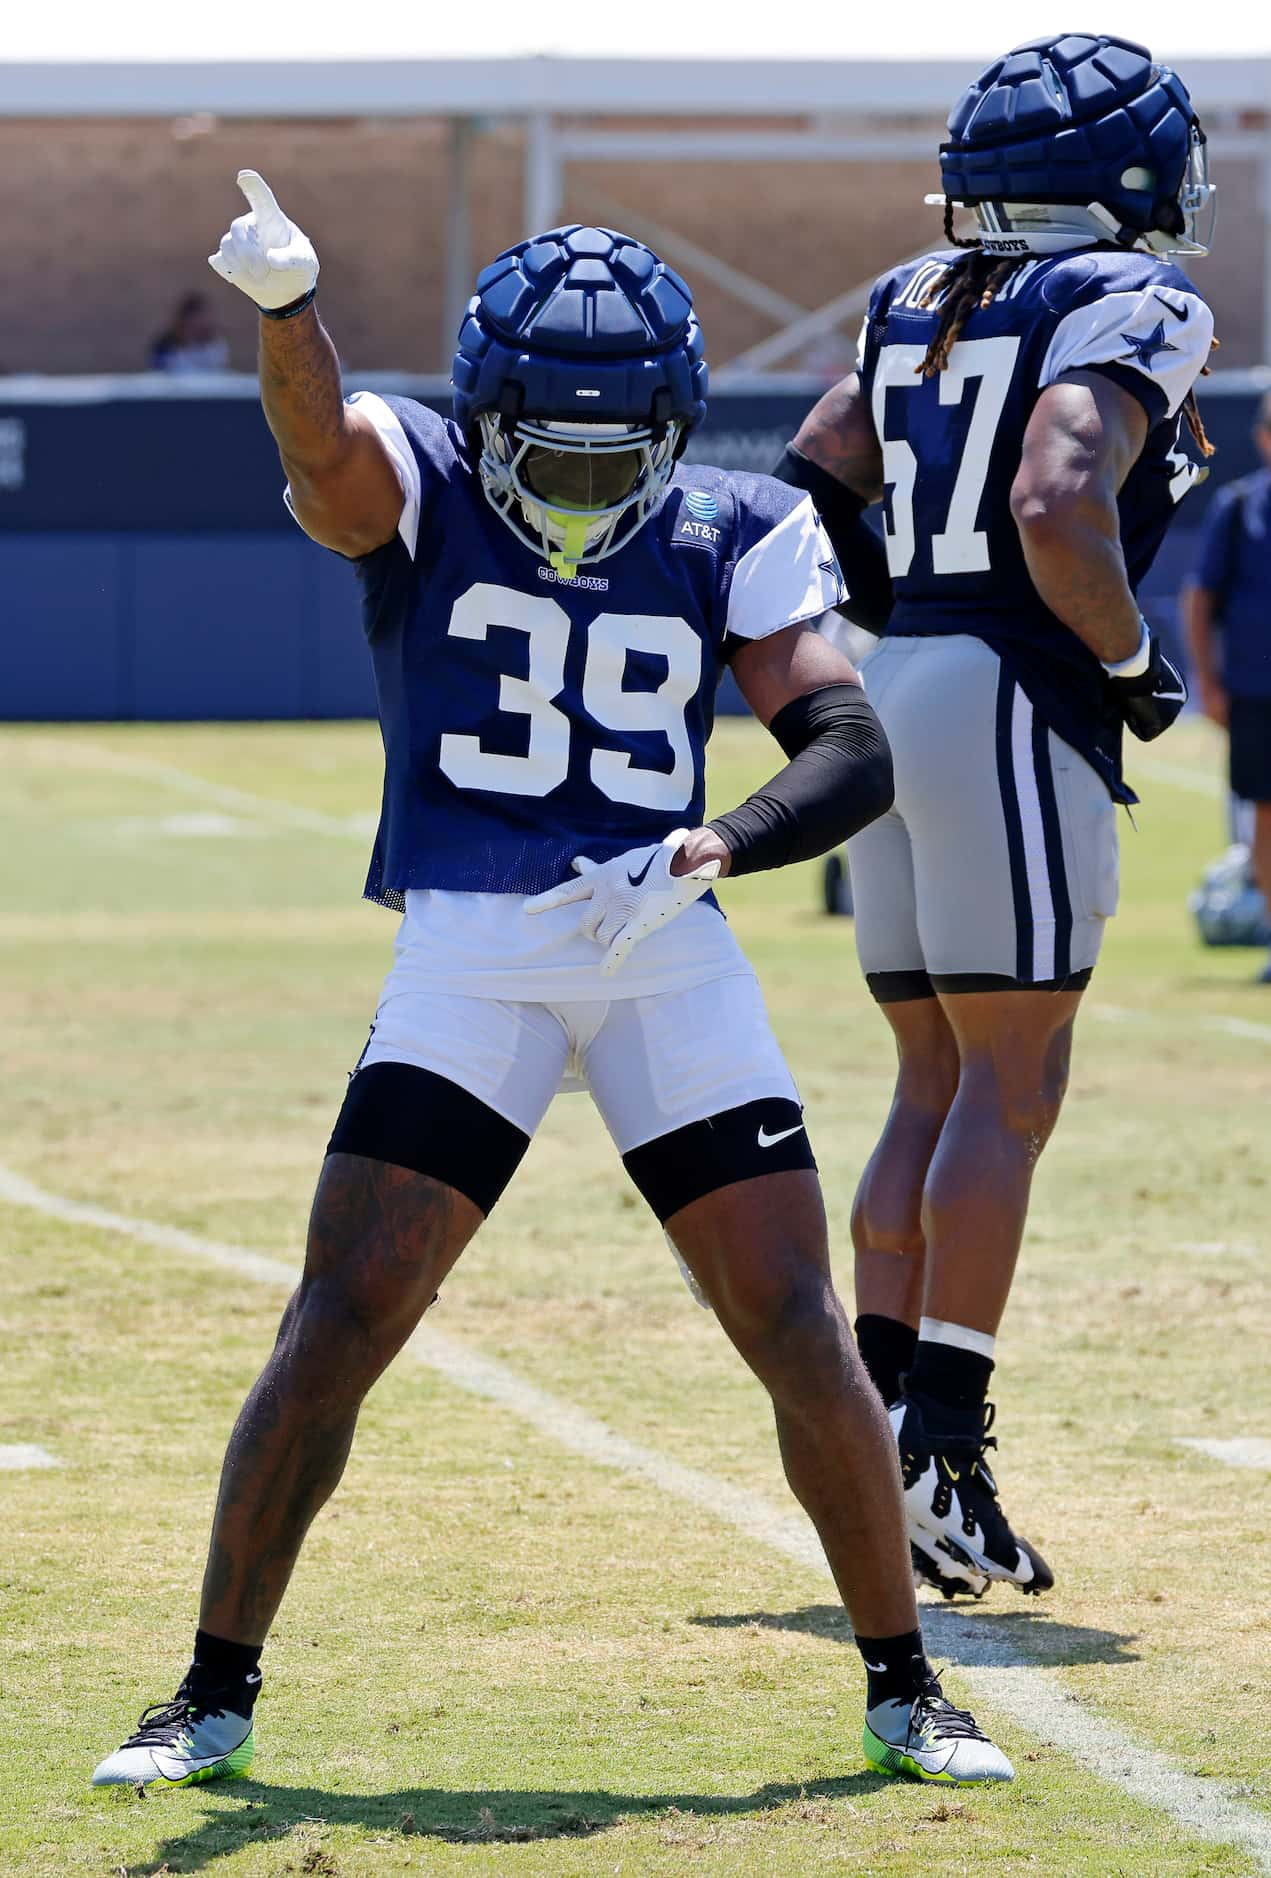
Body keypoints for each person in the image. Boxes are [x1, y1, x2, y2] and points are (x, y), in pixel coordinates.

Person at [91, 174, 1012, 1792]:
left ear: (671, 427)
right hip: (472, 951)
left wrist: (722, 840)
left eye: (614, 447)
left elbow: (847, 745)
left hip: (661, 951)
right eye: (551, 441)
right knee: (344, 1319)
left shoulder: (735, 521)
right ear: (484, 414)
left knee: (795, 1321)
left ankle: (906, 1682)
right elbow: (322, 456)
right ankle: (208, 1689)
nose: (583, 479)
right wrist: (290, 313)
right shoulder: (424, 476)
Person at [774, 34, 1215, 1600]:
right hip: (1012, 691)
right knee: (1009, 1088)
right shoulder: (1126, 299)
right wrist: (1129, 658)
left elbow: (814, 472)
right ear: (1122, 173)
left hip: (901, 676)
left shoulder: (910, 297)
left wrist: (903, 632)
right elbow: (1052, 498)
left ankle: (885, 1428)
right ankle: (936, 1446)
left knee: (929, 1078)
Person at [1183, 392, 1271, 983]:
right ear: (1263, 437)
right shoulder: (1241, 509)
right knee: (1266, 817)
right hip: (1257, 691)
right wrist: (1208, 683)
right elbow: (1200, 598)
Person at [148, 291, 230, 373]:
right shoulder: (165, 345)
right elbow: (159, 369)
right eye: (192, 321)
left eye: (201, 320)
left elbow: (219, 367)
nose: (197, 325)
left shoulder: (213, 342)